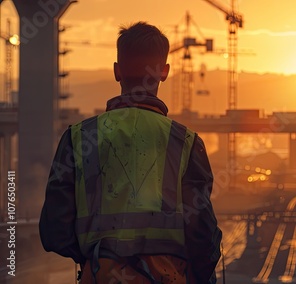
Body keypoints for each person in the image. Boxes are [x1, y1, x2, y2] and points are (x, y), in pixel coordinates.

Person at [39, 22, 222, 284]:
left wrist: (99, 259)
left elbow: (53, 232)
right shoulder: (186, 142)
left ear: (117, 72)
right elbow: (202, 237)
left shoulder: (79, 138)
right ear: (165, 72)